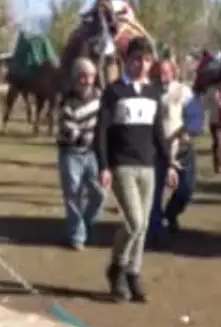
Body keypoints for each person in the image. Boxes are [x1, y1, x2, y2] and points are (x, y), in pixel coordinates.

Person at [95, 37, 177, 303]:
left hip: (148, 167)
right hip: (122, 166)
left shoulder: (153, 93)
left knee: (141, 228)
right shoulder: (114, 91)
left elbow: (158, 132)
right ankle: (116, 268)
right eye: (137, 60)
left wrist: (170, 163)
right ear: (126, 61)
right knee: (135, 222)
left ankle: (133, 273)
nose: (142, 65)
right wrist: (103, 166)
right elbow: (102, 132)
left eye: (146, 60)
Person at [148, 60, 203, 249]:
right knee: (154, 193)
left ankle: (171, 214)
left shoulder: (183, 91)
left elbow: (195, 114)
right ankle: (155, 231)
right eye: (160, 72)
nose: (163, 75)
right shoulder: (148, 91)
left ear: (173, 73)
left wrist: (189, 130)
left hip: (181, 149)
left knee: (186, 189)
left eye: (166, 72)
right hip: (156, 150)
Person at [56, 58, 105, 250]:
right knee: (73, 195)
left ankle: (83, 223)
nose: (87, 80)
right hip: (71, 153)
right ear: (75, 78)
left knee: (99, 194)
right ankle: (77, 235)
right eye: (83, 76)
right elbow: (68, 127)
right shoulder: (66, 101)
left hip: (92, 153)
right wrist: (84, 136)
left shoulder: (100, 97)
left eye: (91, 76)